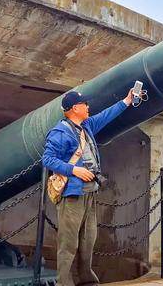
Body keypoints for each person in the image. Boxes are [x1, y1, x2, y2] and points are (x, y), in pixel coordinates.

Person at [42, 88, 135, 286]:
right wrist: (74, 170)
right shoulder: (60, 132)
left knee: (88, 240)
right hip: (73, 194)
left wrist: (126, 101)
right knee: (69, 242)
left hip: (89, 192)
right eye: (85, 104)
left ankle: (86, 279)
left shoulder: (86, 126)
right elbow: (48, 159)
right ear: (75, 108)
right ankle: (63, 282)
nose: (88, 107)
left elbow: (106, 115)